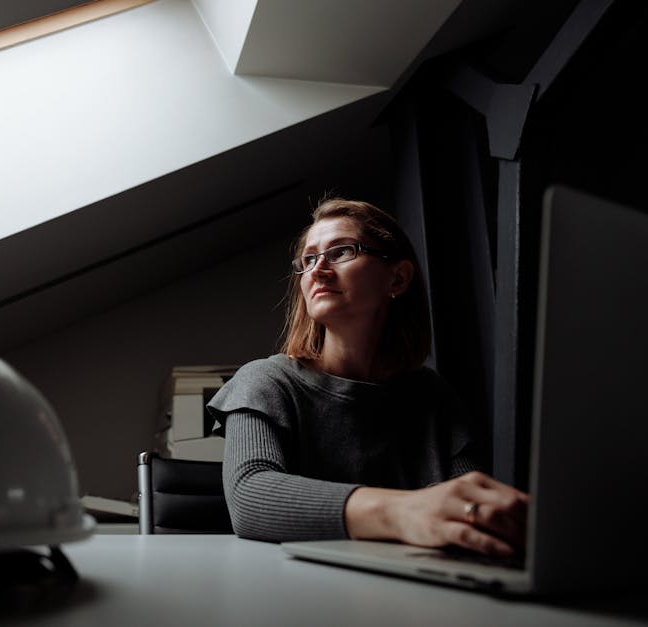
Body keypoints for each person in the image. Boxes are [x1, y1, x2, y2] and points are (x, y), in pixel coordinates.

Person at [207, 197, 528, 557]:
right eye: (309, 259)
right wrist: (404, 512)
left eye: (341, 251)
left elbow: (466, 503)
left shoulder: (432, 395)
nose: (318, 270)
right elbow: (249, 496)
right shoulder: (265, 381)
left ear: (398, 277)